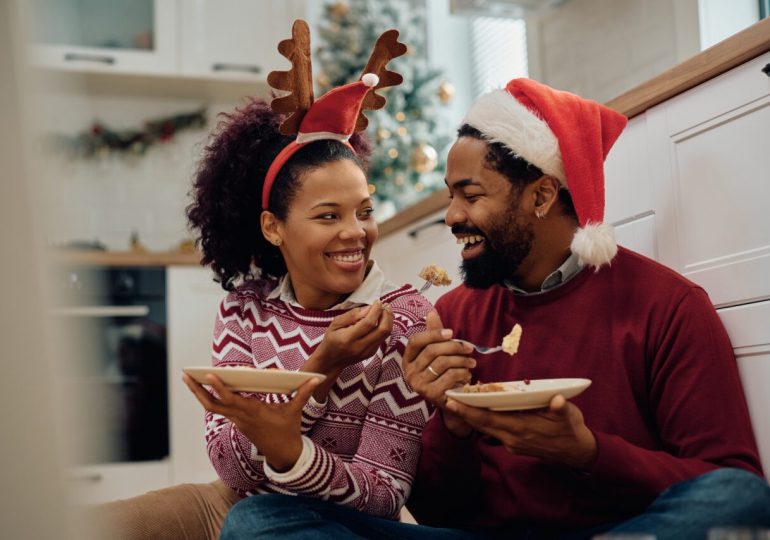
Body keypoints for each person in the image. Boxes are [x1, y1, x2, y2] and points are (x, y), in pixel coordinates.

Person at [219, 78, 770, 539]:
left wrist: (588, 452)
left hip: (619, 531)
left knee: (739, 499)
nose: (452, 216)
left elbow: (732, 483)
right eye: (449, 195)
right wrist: (450, 430)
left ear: (541, 196)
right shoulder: (454, 315)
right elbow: (439, 512)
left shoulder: (665, 307)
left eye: (471, 194)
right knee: (260, 522)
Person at [96, 21, 436, 539]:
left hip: (337, 525)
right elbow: (230, 465)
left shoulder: (404, 318)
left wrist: (288, 444)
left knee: (256, 522)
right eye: (328, 216)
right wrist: (321, 368)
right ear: (273, 227)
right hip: (239, 505)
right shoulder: (246, 310)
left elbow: (384, 494)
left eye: (364, 211)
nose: (355, 233)